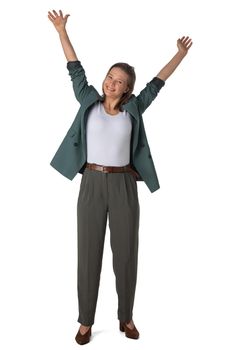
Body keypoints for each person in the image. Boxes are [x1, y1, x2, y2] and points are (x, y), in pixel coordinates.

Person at [48, 9, 192, 346]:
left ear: (128, 89)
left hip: (125, 184)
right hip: (91, 184)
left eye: (119, 81)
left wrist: (180, 54)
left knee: (126, 253)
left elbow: (158, 82)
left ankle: (125, 317)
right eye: (109, 77)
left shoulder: (134, 109)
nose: (111, 83)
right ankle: (85, 321)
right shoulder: (89, 101)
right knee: (88, 254)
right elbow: (74, 68)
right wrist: (61, 31)